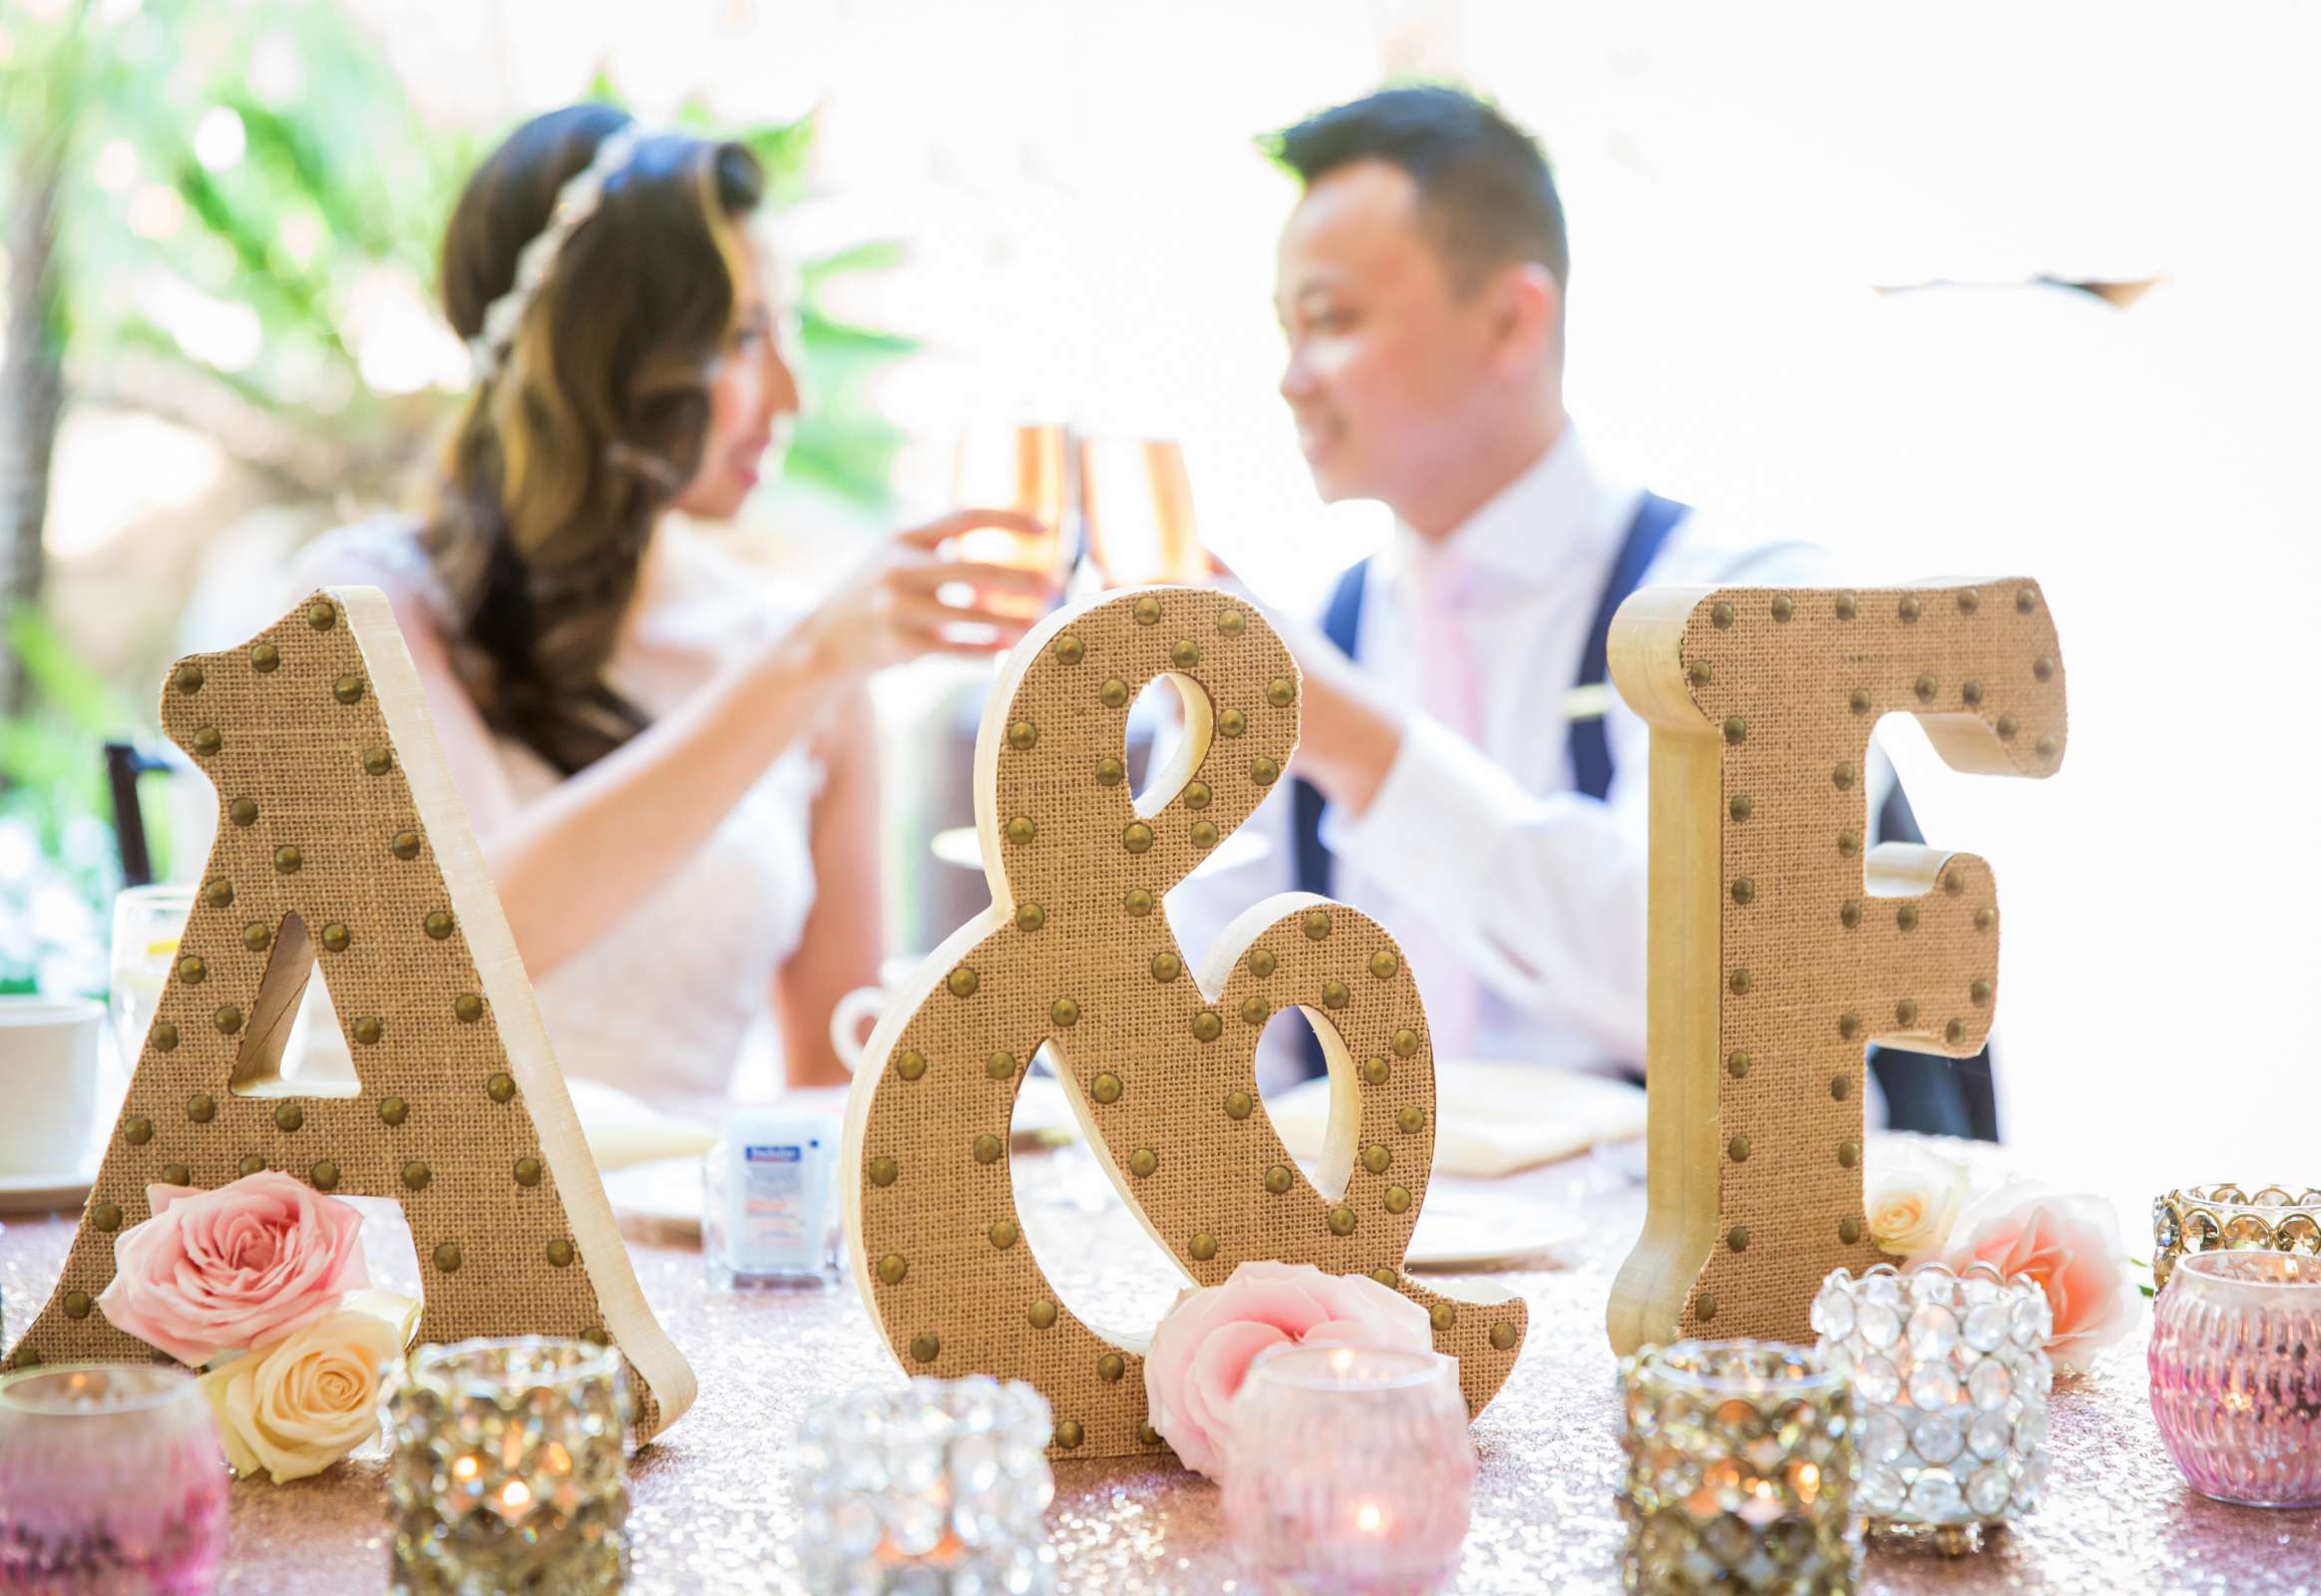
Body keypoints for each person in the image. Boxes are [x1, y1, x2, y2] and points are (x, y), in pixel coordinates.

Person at [1187, 86, 1986, 1135]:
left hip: (1717, 1276)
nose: (1291, 379)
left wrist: (1357, 741)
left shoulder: (1748, 597)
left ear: (1513, 319)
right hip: (1371, 1273)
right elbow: (1209, 1020)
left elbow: (1715, 990)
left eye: (1331, 321)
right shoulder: (1317, 632)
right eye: (1284, 330)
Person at [288, 105, 1052, 1104]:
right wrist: (805, 666)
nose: (791, 391)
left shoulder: (801, 660)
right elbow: (449, 966)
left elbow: (832, 1075)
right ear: (599, 350)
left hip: (692, 1247)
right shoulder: (362, 607)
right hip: (408, 1235)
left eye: (783, 327)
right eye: (740, 336)